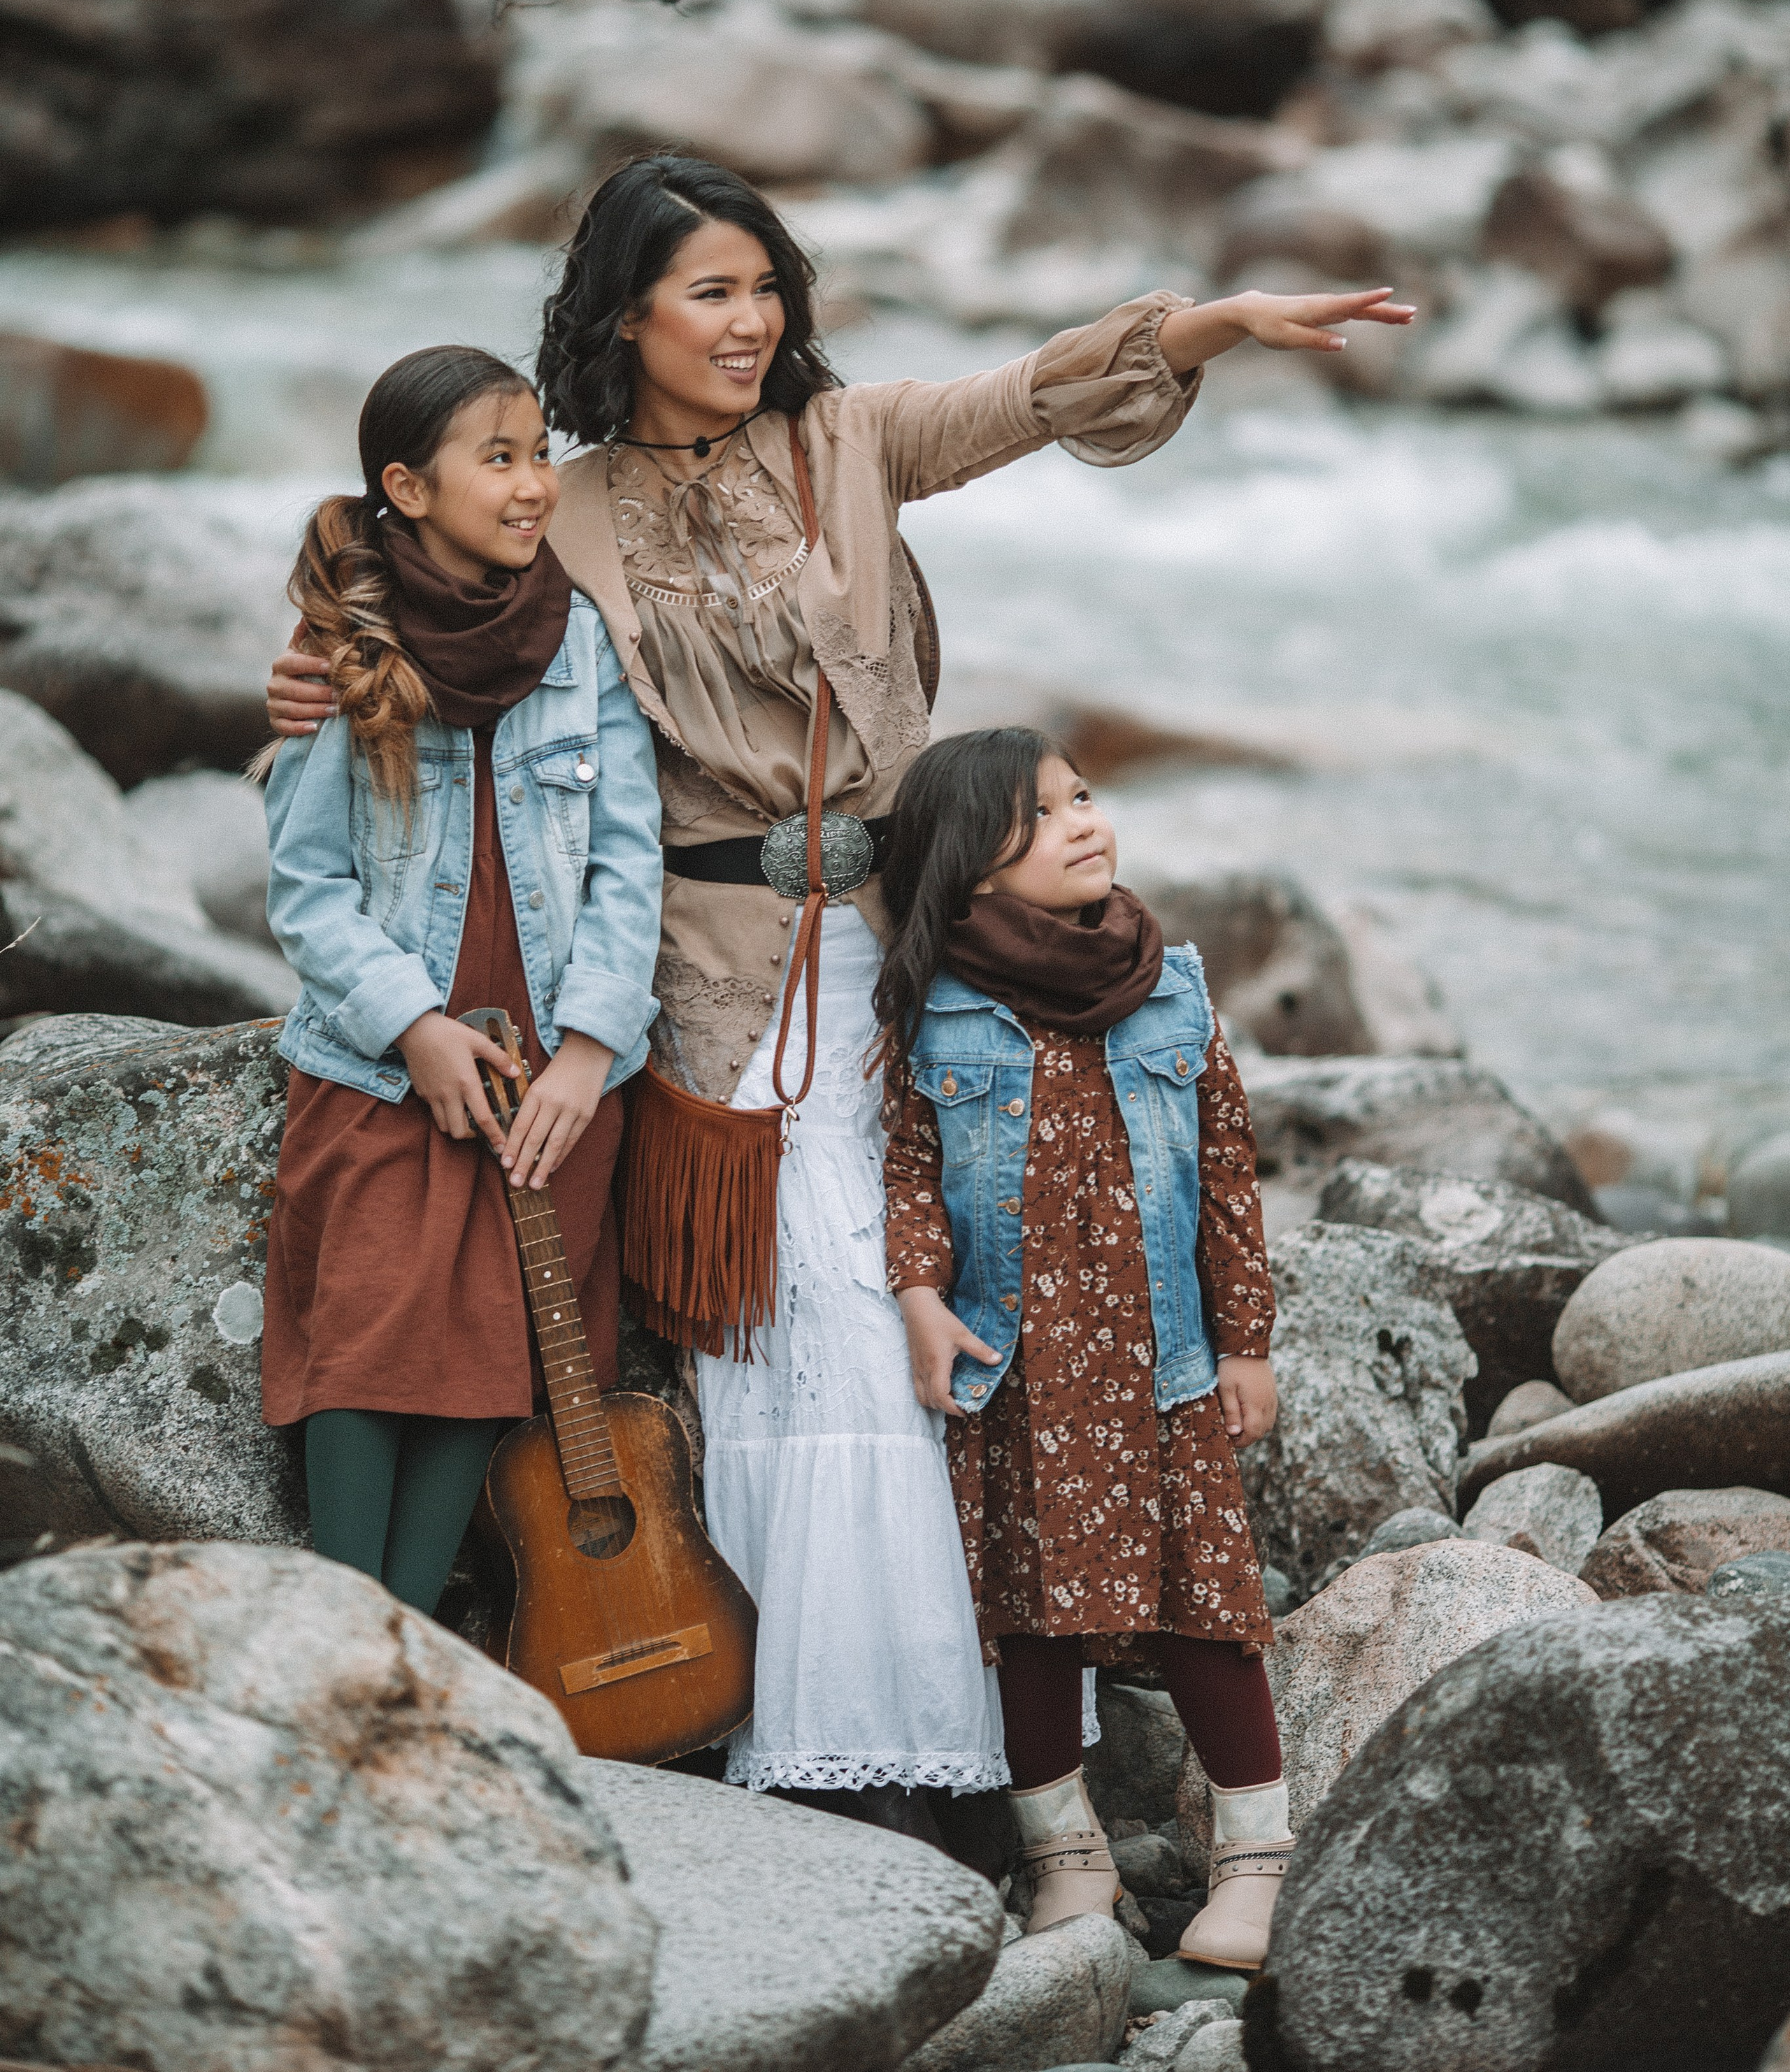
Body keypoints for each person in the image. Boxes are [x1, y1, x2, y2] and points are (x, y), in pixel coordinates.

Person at [265, 152, 1411, 1816]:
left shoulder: (847, 439)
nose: (750, 320)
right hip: (698, 978)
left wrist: (1207, 325)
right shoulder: (559, 503)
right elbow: (423, 617)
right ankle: (798, 1732)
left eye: (764, 284)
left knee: (931, 1318)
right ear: (625, 315)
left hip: (906, 965)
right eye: (708, 291)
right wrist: (303, 673)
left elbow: (1021, 396)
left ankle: (985, 1757)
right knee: (789, 1331)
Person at [878, 727, 1291, 1971]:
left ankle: (1257, 1864)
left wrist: (1247, 1343)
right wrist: (918, 1293)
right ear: (972, 868)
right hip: (1017, 1372)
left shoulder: (1174, 985)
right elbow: (907, 1167)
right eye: (1040, 818)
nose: (1084, 823)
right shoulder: (935, 1008)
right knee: (1026, 1619)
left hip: (1160, 1371)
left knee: (1204, 1610)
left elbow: (1228, 1176)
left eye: (1084, 796)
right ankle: (1069, 1860)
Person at [259, 344, 663, 1619]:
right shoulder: (348, 648)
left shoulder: (579, 639)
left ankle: (414, 1640)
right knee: (365, 1335)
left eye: (541, 451)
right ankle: (342, 1623)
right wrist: (415, 1027)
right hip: (385, 1067)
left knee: (496, 1355)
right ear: (409, 487)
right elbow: (307, 887)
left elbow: (628, 860)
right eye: (500, 457)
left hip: (547, 1074)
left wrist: (595, 1044)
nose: (536, 480)